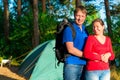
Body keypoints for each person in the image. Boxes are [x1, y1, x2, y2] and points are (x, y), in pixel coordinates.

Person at [63, 5, 88, 80]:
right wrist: (87, 55)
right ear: (74, 15)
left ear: (85, 17)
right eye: (78, 16)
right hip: (72, 65)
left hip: (85, 65)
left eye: (82, 16)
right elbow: (70, 49)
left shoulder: (85, 30)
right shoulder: (69, 29)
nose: (80, 18)